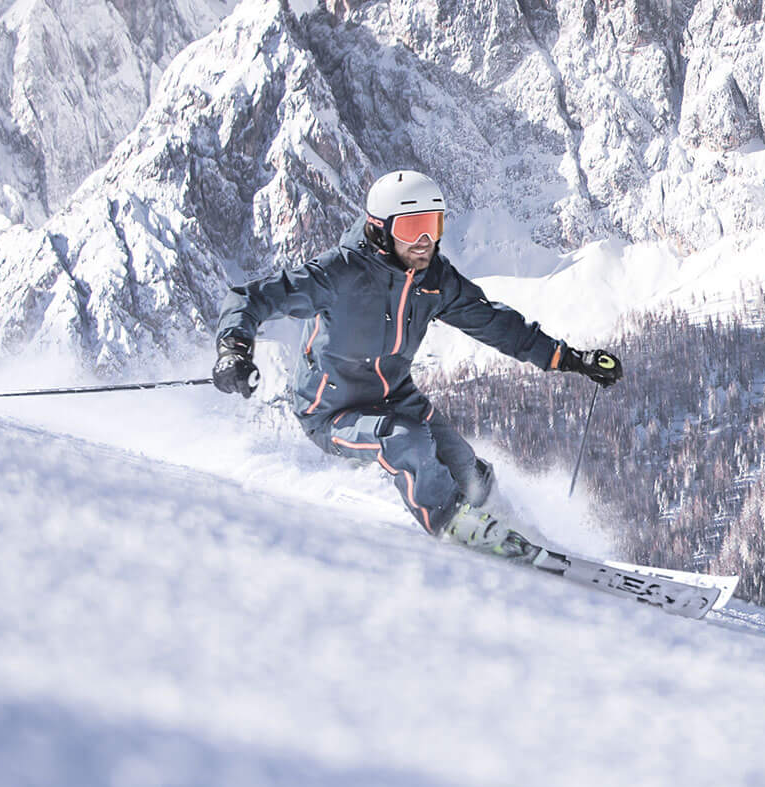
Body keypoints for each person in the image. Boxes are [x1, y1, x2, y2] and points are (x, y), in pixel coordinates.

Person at [212, 168, 622, 556]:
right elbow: (252, 298)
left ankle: (513, 532)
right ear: (380, 229)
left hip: (396, 397)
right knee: (405, 441)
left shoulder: (433, 279)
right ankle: (453, 529)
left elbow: (495, 323)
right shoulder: (339, 274)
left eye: (434, 225)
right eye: (411, 228)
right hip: (332, 411)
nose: (425, 240)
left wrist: (568, 358)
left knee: (466, 467)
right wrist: (234, 347)